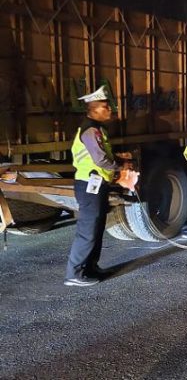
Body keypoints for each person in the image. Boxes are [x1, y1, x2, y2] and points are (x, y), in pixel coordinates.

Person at [65, 87, 132, 287]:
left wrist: (119, 158)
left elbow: (102, 156)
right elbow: (101, 159)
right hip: (88, 185)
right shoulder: (91, 130)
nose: (109, 110)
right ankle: (74, 273)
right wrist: (120, 166)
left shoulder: (98, 130)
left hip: (96, 185)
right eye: (105, 107)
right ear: (93, 110)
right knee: (88, 230)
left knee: (96, 227)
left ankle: (90, 267)